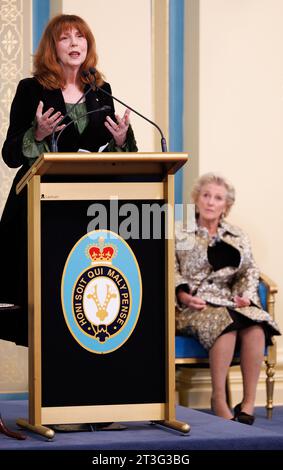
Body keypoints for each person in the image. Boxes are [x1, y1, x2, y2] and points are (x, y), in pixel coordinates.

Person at [0, 14, 137, 347]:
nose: (75, 43)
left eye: (81, 37)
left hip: (88, 209)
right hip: (40, 206)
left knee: (81, 293)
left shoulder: (100, 91)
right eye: (66, 38)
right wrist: (39, 133)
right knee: (44, 294)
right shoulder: (31, 89)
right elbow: (10, 154)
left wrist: (121, 140)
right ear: (52, 47)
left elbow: (111, 150)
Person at [175, 173, 281, 424]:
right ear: (196, 199)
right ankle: (218, 400)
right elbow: (169, 269)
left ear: (226, 206)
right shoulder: (180, 233)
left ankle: (246, 405)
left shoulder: (237, 235)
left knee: (255, 327)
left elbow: (250, 271)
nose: (211, 202)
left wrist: (246, 296)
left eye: (218, 198)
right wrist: (182, 295)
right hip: (194, 305)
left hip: (230, 301)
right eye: (206, 195)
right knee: (225, 323)